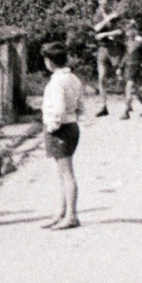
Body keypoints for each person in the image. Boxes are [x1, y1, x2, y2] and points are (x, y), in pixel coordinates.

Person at [41, 40, 84, 229]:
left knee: (66, 174)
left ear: (49, 61)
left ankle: (71, 216)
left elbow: (58, 109)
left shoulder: (57, 82)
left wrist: (52, 127)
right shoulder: (73, 79)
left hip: (60, 129)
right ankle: (62, 212)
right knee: (63, 174)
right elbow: (81, 105)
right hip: (72, 125)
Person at [92, 0, 122, 117]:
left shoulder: (114, 14)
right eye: (102, 0)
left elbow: (120, 30)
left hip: (115, 48)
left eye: (107, 0)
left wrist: (108, 33)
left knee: (121, 76)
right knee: (101, 77)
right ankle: (103, 106)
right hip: (103, 49)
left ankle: (129, 102)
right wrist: (108, 20)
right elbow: (96, 29)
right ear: (99, 2)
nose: (105, 2)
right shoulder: (97, 15)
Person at [121, 22, 142, 119]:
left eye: (130, 30)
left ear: (134, 30)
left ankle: (126, 111)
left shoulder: (140, 42)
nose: (128, 32)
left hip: (136, 67)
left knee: (129, 87)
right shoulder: (128, 42)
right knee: (135, 90)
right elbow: (126, 56)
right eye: (127, 30)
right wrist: (120, 67)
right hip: (128, 67)